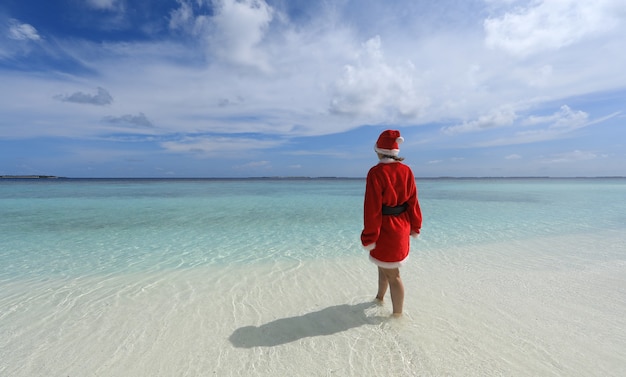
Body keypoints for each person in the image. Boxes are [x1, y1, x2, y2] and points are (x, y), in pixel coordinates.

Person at [361, 130, 422, 317]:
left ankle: (397, 315)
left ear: (379, 151)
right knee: (383, 266)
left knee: (393, 275)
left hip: (385, 229)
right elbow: (413, 200)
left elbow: (372, 208)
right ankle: (379, 298)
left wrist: (369, 236)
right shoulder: (407, 170)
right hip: (402, 225)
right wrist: (415, 225)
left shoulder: (375, 172)